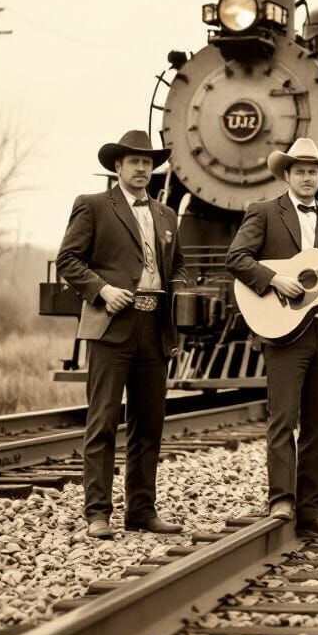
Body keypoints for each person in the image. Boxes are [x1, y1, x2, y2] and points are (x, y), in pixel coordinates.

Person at [56, 129, 187, 540]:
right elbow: (68, 259)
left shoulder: (166, 215)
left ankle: (142, 511)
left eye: (148, 162)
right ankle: (97, 513)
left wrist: (180, 293)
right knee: (104, 420)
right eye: (134, 161)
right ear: (118, 166)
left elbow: (177, 266)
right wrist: (102, 290)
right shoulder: (94, 206)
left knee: (149, 424)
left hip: (154, 327)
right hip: (112, 326)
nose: (142, 168)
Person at [226, 137, 318, 538]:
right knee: (283, 419)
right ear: (286, 175)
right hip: (285, 332)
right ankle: (281, 499)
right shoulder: (264, 212)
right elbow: (237, 258)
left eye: (313, 171)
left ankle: (311, 509)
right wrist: (275, 279)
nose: (307, 177)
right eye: (299, 171)